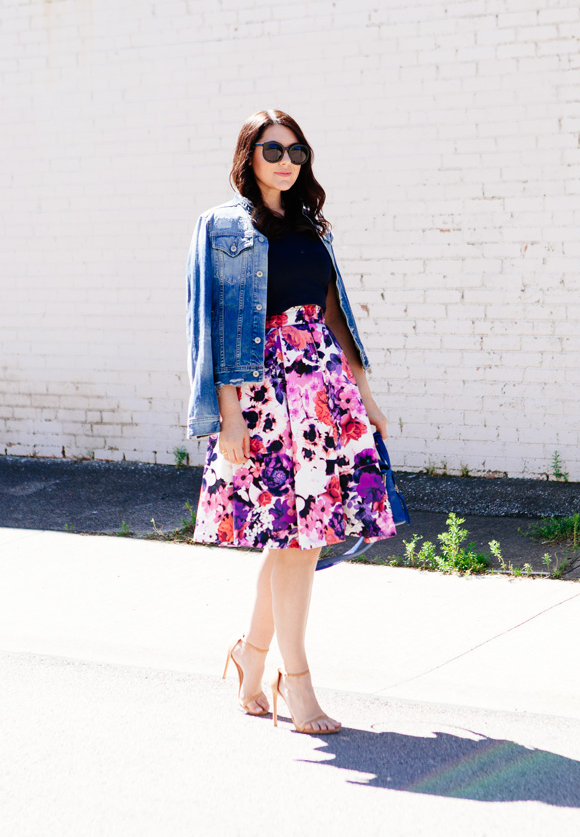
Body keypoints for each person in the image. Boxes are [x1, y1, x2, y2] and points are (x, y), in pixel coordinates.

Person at [185, 108, 396, 735]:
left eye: (296, 151)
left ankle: (251, 660)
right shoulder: (222, 227)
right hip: (264, 396)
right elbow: (215, 326)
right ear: (248, 156)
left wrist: (366, 398)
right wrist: (228, 417)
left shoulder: (312, 228)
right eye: (272, 149)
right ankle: (297, 684)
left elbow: (336, 319)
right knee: (297, 543)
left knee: (295, 543)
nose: (285, 161)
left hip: (323, 392)